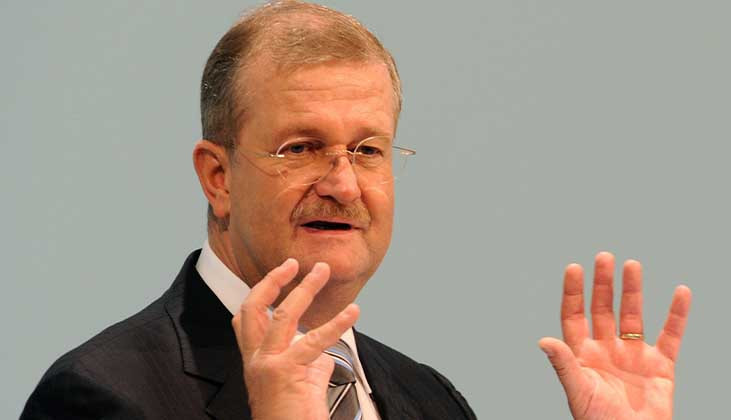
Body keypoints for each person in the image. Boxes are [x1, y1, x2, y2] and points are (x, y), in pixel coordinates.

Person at [21, 1, 691, 419]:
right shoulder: (100, 396)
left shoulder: (431, 400)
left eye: (368, 150)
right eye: (301, 148)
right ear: (218, 177)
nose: (343, 184)